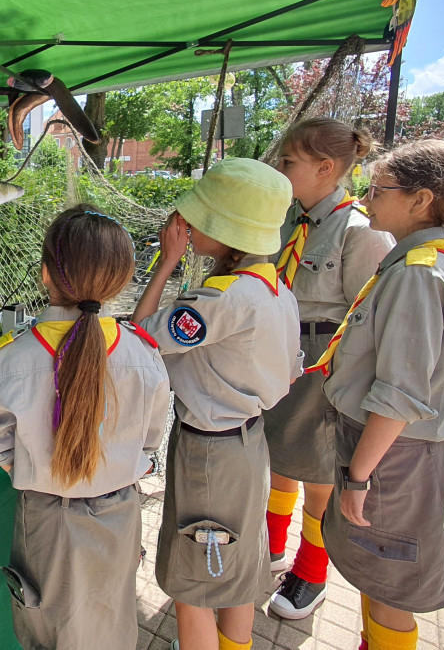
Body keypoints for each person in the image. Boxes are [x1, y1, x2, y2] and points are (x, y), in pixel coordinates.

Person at [313, 139, 444, 650]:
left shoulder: (418, 273)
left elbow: (398, 394)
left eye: (378, 189)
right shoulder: (416, 261)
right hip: (387, 455)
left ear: (421, 200)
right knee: (379, 577)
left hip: (391, 461)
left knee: (390, 584)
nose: (366, 198)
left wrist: (358, 476)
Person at [0, 205, 172, 650]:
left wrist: (40, 469)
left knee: (47, 626)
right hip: (120, 514)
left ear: (46, 273)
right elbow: (148, 446)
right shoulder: (146, 358)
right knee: (111, 619)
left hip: (45, 521)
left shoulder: (9, 360)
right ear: (120, 281)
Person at [133, 158, 303, 650]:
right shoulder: (277, 290)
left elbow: (142, 338)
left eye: (197, 219)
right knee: (235, 567)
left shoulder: (220, 300)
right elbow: (289, 373)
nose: (184, 225)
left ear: (226, 232)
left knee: (194, 586)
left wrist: (167, 262)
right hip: (249, 447)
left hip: (209, 455)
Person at [263, 118, 394, 620]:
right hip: (280, 356)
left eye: (289, 162)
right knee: (278, 458)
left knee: (318, 473)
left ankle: (311, 572)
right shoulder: (290, 220)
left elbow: (368, 319)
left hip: (324, 366)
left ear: (326, 167)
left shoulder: (358, 232)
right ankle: (272, 547)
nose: (281, 169)